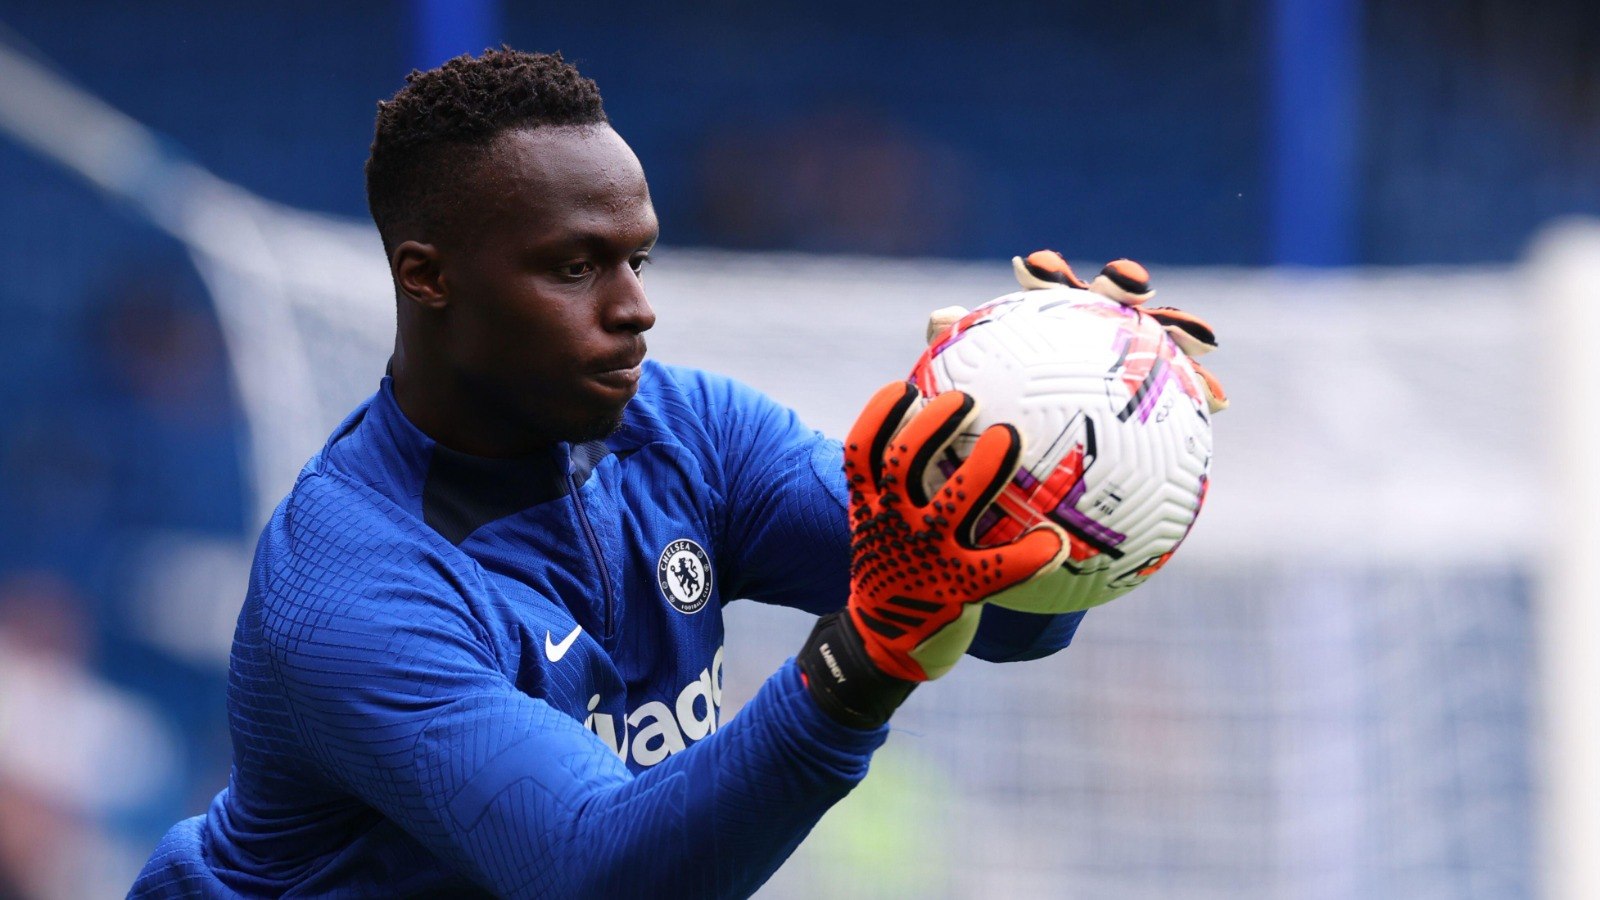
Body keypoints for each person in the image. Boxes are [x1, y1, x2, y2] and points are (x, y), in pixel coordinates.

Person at [130, 48, 1084, 898]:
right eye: (577, 268)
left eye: (639, 259)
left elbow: (1010, 615)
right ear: (427, 277)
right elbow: (599, 871)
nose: (637, 308)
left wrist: (1072, 443)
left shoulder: (691, 433)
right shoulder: (351, 587)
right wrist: (856, 668)